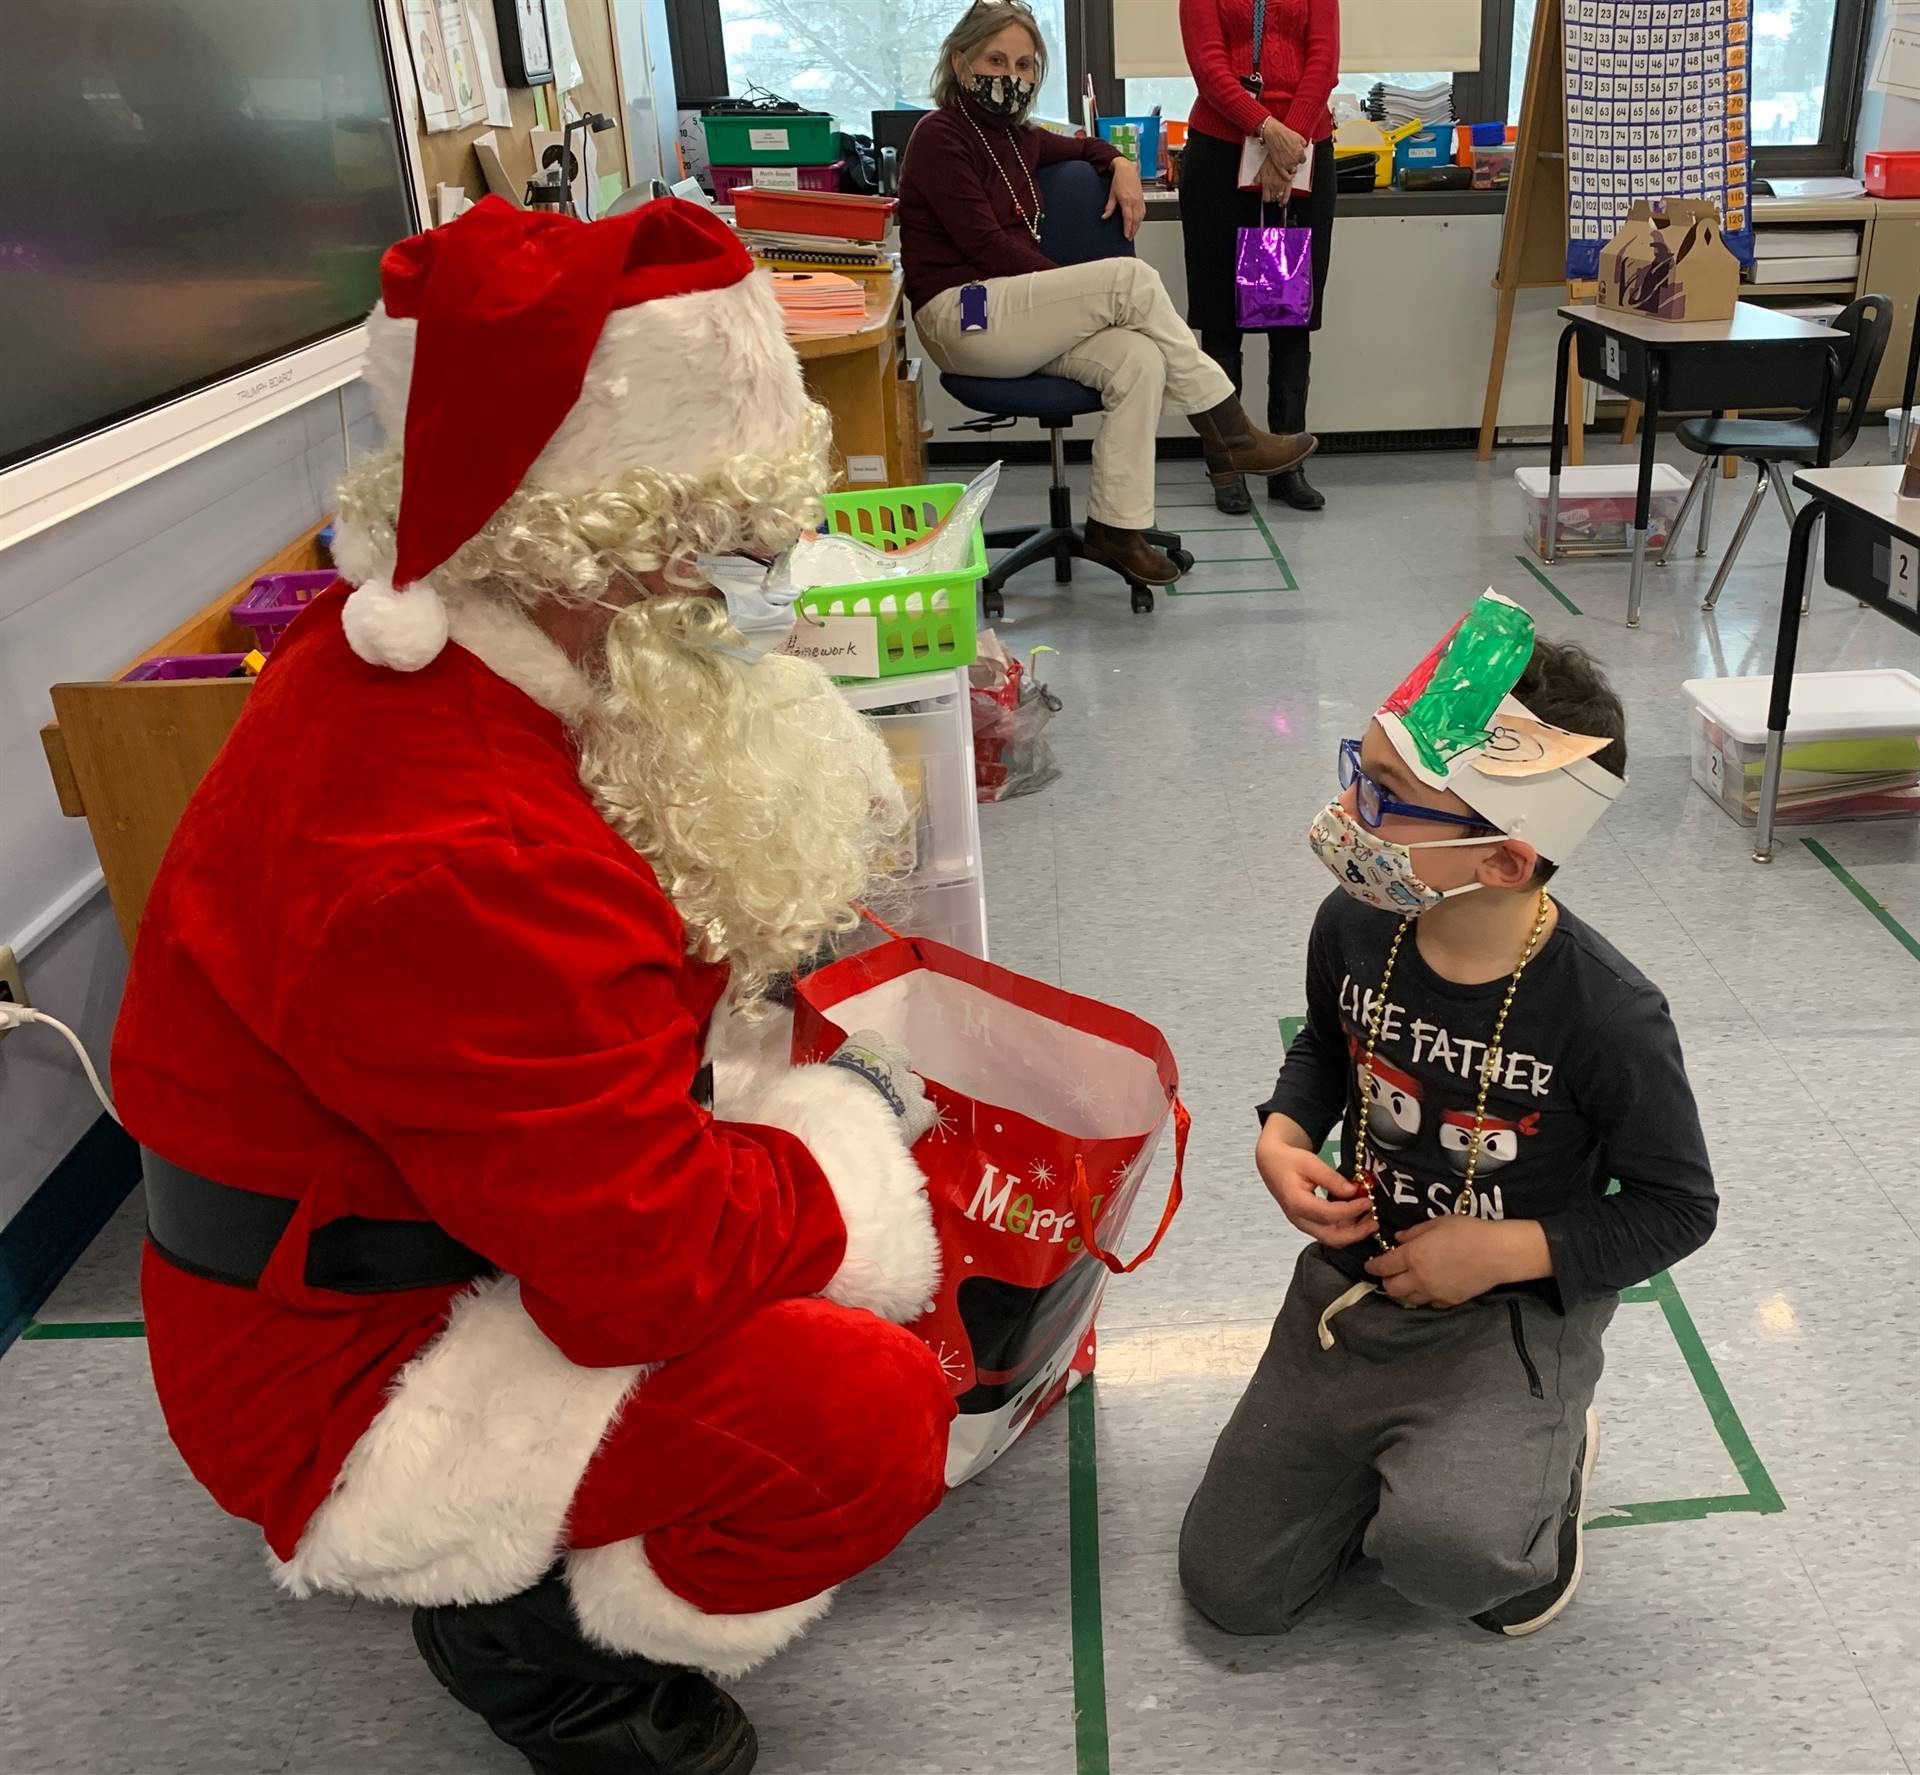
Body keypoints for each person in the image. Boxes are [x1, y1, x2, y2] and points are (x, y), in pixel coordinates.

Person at [112, 195, 960, 1775]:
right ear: (603, 545)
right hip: (352, 1356)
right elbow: (640, 1270)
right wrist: (843, 1178)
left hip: (418, 1218)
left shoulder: (460, 662)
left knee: (826, 1150)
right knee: (865, 1412)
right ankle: (541, 1648)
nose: (760, 587)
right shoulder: (457, 845)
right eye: (727, 547)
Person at [1179, 592, 1718, 1639]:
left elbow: (1676, 1207)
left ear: (1505, 859)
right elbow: (1329, 1044)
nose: (1348, 818)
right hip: (1357, 1289)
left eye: (1383, 797)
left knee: (1463, 1560)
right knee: (1233, 1589)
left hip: (1509, 1312)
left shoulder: (1610, 1013)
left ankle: (1544, 1461)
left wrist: (1504, 1249)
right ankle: (1427, 1463)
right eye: (1358, 772)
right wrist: (1283, 1131)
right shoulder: (1360, 916)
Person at [899, 0, 1314, 590]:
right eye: (996, 60)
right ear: (962, 63)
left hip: (1015, 317)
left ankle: (1115, 529)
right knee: (1129, 280)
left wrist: (1119, 160)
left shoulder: (1019, 139)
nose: (1010, 76)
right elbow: (987, 246)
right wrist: (1073, 298)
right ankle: (1230, 433)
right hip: (962, 316)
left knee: (1138, 357)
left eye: (1024, 64)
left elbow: (1084, 148)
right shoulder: (939, 136)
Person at [1177, 0, 1340, 515]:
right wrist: (1265, 129)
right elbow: (1209, 68)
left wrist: (1286, 143)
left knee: (1291, 315)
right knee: (1221, 321)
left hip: (1304, 148)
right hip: (1220, 154)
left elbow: (1323, 61)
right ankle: (1227, 465)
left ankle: (1287, 464)